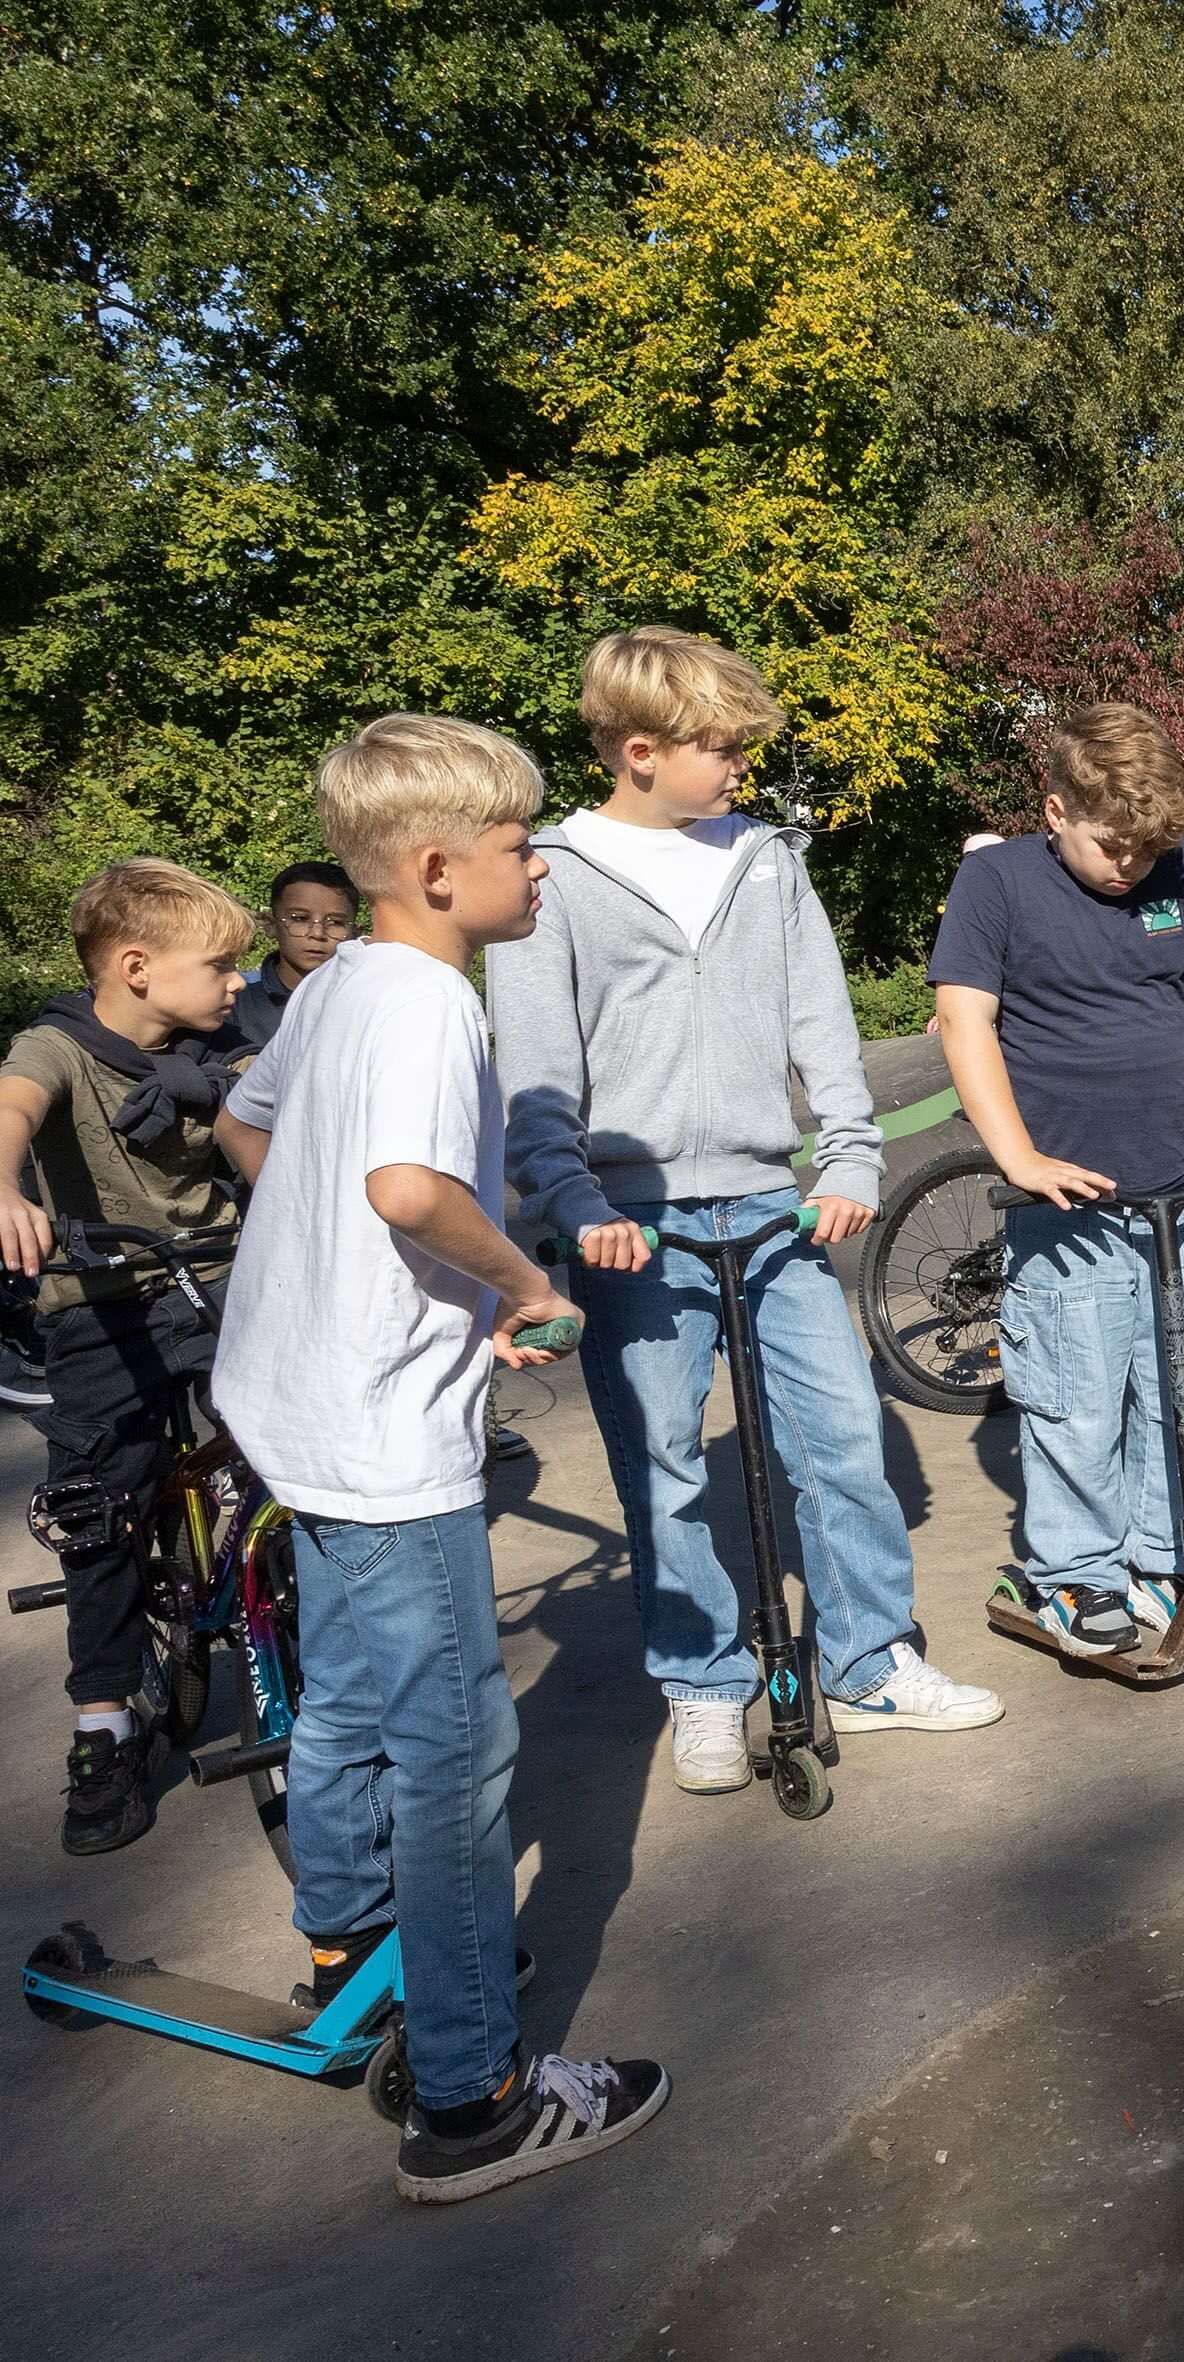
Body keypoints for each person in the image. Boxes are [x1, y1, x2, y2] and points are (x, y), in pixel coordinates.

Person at [212, 714, 667, 2200]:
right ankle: (472, 2089)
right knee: (457, 1749)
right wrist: (523, 1284)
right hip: (379, 1430)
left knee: (344, 1697)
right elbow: (410, 1185)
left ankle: (354, 1944)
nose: (535, 866)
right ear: (432, 866)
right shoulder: (424, 997)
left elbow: (246, 1128)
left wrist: (345, 1270)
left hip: (293, 1399)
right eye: (515, 845)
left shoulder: (335, 978)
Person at [488, 627, 1000, 1797]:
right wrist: (570, 1197)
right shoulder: (556, 872)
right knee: (662, 1462)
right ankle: (706, 1685)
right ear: (637, 750)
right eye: (714, 749)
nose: (735, 768)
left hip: (777, 1205)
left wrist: (852, 1159)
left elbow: (821, 1019)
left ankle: (872, 1664)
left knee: (844, 1445)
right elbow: (536, 1066)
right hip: (635, 1217)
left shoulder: (767, 858)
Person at [926, 704, 1184, 1653]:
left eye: (1146, 850)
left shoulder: (1176, 872)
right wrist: (1016, 1155)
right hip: (1064, 1203)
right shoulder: (996, 880)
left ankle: (1166, 1557)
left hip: (1173, 1194)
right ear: (1054, 808)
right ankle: (1076, 1574)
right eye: (1111, 847)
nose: (1129, 867)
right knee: (1076, 1391)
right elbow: (964, 1020)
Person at [0, 860, 257, 1852]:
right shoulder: (57, 1044)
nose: (239, 981)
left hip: (222, 1275)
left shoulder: (224, 1048)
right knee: (98, 1505)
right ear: (139, 968)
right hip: (102, 1297)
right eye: (221, 963)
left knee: (296, 1451)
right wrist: (10, 1190)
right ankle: (102, 1723)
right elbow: (13, 1105)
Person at [231, 859, 360, 1047]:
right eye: (299, 919)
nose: (317, 934)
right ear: (271, 925)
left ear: (355, 933)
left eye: (335, 922)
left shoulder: (363, 1001)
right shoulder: (236, 999)